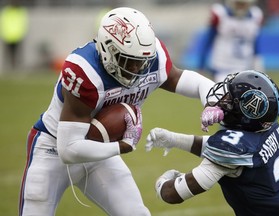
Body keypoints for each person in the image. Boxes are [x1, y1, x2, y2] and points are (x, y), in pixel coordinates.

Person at [18, 7, 224, 216]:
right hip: (52, 148)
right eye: (130, 61)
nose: (137, 68)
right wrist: (123, 146)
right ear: (108, 50)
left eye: (142, 61)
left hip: (100, 150)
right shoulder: (86, 71)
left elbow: (189, 80)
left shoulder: (151, 58)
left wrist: (213, 102)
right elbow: (68, 149)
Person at [146, 70, 279, 216]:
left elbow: (172, 194)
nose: (223, 99)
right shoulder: (268, 127)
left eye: (230, 98)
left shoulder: (234, 150)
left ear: (246, 112)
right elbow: (227, 146)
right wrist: (174, 139)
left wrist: (161, 183)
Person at [196, 0, 264, 82]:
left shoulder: (255, 15)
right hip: (221, 67)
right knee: (223, 93)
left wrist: (258, 66)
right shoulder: (221, 14)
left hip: (245, 68)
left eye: (243, 4)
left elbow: (255, 44)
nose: (240, 7)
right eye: (238, 3)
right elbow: (207, 41)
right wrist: (201, 65)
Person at [0, 0, 28, 69]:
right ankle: (8, 67)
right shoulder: (6, 11)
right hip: (8, 36)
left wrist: (21, 33)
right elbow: (3, 23)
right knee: (8, 54)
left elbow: (23, 23)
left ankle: (16, 67)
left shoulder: (20, 12)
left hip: (17, 36)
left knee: (17, 54)